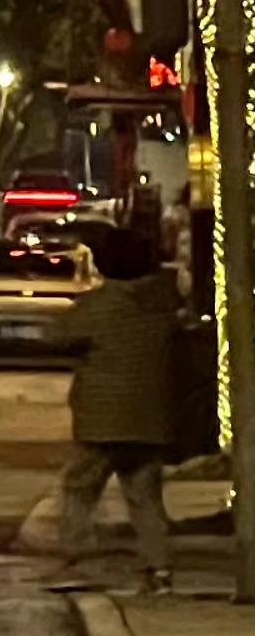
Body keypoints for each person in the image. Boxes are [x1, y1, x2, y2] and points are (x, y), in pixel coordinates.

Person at [51, 222, 181, 596]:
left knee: (79, 488)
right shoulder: (162, 304)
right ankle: (160, 569)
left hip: (102, 419)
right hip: (151, 417)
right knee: (145, 497)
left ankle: (75, 562)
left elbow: (59, 333)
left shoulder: (100, 305)